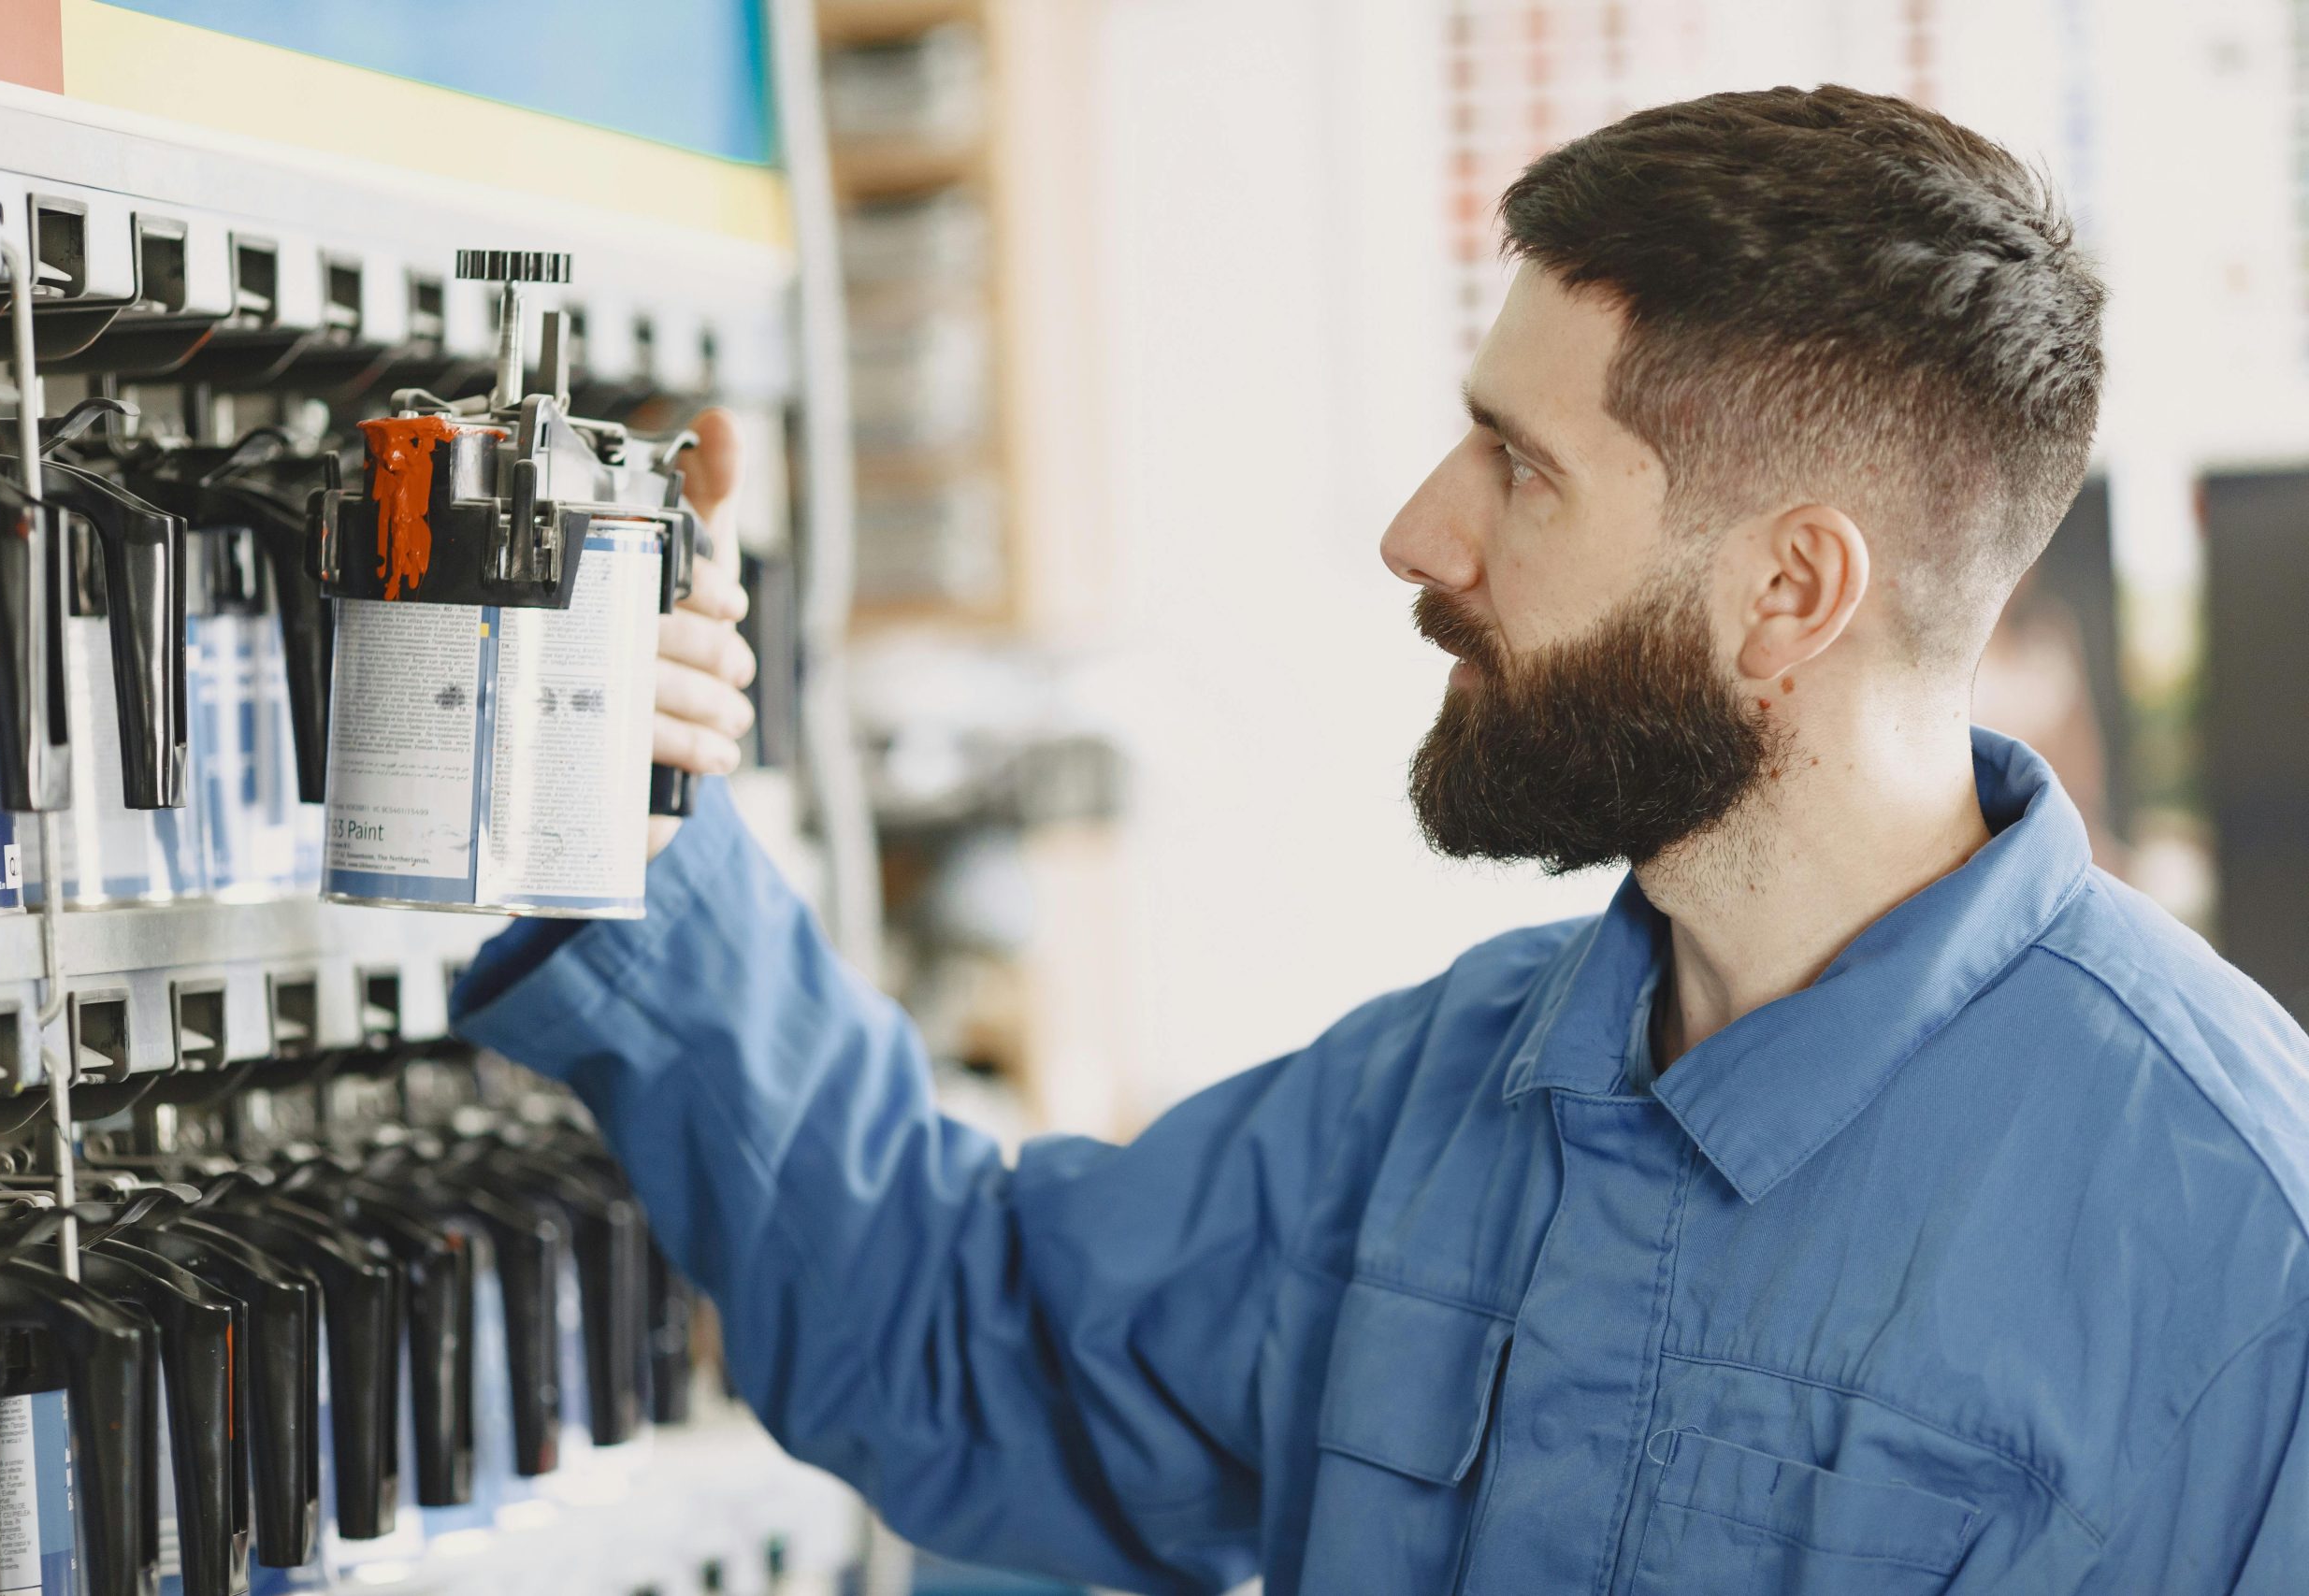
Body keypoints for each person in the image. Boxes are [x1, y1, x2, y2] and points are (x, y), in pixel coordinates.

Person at [454, 86, 2309, 1593]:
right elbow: (968, 1350)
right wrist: (635, 820)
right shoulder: (1450, 1093)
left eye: (1519, 463)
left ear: (1787, 587)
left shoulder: (2244, 1244)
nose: (1420, 533)